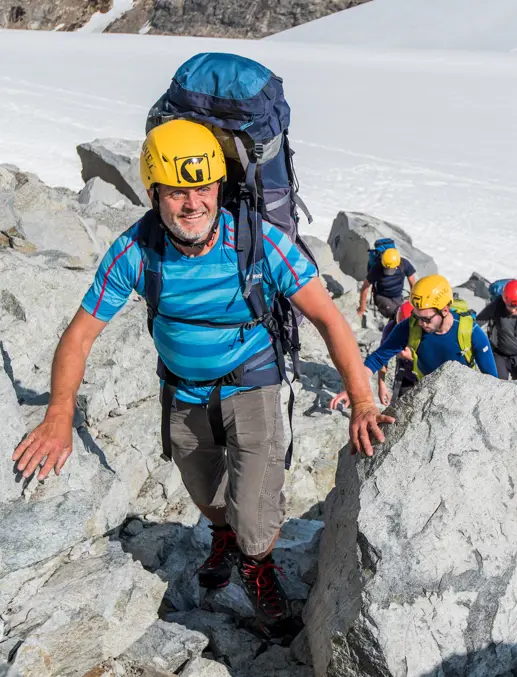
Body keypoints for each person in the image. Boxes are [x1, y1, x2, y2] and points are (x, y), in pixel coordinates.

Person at [11, 120, 390, 628]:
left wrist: (362, 400)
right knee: (205, 492)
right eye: (177, 192)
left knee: (255, 518)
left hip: (252, 384)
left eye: (203, 188)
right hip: (182, 392)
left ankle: (256, 563)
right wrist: (59, 414)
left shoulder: (258, 243)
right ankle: (224, 537)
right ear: (153, 193)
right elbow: (79, 335)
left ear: (219, 186)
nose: (193, 204)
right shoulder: (136, 250)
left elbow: (327, 317)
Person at [333, 276, 497, 410]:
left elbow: (491, 379)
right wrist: (355, 388)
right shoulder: (409, 327)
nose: (420, 323)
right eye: (416, 316)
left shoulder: (470, 332)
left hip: (462, 397)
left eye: (426, 319)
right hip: (426, 394)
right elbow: (377, 359)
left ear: (445, 310)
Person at [330, 301, 418, 409]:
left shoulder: (430, 329)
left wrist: (413, 358)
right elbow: (380, 359)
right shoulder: (391, 330)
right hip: (406, 371)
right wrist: (382, 385)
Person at [476, 279, 517, 380]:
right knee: (500, 384)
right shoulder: (497, 306)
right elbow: (479, 321)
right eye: (509, 307)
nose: (512, 310)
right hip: (500, 353)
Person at [357, 247, 416, 320]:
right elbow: (365, 287)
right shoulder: (377, 268)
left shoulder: (404, 264)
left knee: (403, 314)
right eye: (386, 268)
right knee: (396, 316)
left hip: (397, 296)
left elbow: (413, 283)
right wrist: (362, 307)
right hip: (382, 296)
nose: (388, 270)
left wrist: (415, 302)